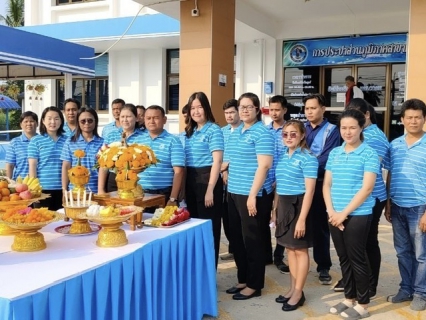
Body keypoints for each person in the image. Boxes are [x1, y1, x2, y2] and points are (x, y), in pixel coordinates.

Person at [324, 109, 379, 319]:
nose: (347, 132)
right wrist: (331, 211)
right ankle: (349, 298)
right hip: (334, 213)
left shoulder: (369, 153)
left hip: (358, 214)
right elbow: (327, 184)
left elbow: (366, 188)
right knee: (343, 258)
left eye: (352, 128)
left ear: (361, 128)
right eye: (344, 128)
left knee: (357, 258)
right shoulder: (335, 153)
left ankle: (363, 304)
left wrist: (343, 213)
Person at [224, 92, 274, 300]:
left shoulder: (262, 133)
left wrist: (253, 195)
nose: (244, 110)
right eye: (241, 107)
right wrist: (222, 173)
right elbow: (228, 159)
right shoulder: (236, 132)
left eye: (248, 107)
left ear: (257, 109)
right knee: (237, 239)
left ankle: (254, 284)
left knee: (252, 240)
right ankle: (243, 278)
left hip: (252, 194)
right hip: (233, 192)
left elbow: (264, 165)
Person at [384, 98, 426, 311]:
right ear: (402, 120)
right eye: (409, 117)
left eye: (417, 117)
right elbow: (390, 173)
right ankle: (406, 288)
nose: (413, 121)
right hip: (398, 205)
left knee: (421, 254)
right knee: (402, 251)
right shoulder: (395, 145)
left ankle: (421, 293)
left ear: (424, 119)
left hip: (420, 207)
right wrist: (389, 202)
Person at [272, 120, 318, 311]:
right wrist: (275, 209)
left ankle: (299, 292)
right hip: (284, 203)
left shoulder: (308, 158)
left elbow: (310, 191)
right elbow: (279, 186)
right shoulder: (283, 155)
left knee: (300, 250)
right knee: (289, 249)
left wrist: (301, 219)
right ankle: (292, 288)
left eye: (293, 134)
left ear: (302, 136)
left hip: (300, 206)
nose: (289, 137)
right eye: (285, 134)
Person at [346, 98, 390, 298]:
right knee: (358, 243)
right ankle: (358, 279)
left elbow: (372, 173)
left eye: (357, 113)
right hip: (356, 196)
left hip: (372, 196)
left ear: (366, 115)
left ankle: (370, 284)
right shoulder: (361, 134)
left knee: (367, 242)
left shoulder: (374, 137)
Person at [303, 93, 340, 286]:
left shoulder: (332, 130)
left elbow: (326, 157)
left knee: (319, 227)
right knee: (296, 223)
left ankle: (323, 266)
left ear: (323, 109)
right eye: (307, 108)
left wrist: (303, 168)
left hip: (319, 183)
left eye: (313, 108)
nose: (309, 112)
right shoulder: (300, 128)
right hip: (298, 183)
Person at [184, 92, 224, 267]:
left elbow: (217, 161)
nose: (196, 111)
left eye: (199, 107)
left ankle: (209, 271)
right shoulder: (189, 131)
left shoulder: (213, 129)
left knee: (209, 230)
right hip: (191, 180)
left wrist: (210, 189)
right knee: (193, 227)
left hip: (208, 180)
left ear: (206, 108)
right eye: (193, 108)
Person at [136, 105, 184, 205]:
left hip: (164, 194)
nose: (151, 121)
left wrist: (173, 199)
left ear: (164, 120)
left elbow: (178, 172)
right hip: (140, 193)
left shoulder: (173, 141)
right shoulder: (138, 140)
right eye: (148, 118)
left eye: (156, 118)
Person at [98, 104, 144, 193]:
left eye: (129, 116)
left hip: (135, 181)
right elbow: (103, 163)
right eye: (122, 116)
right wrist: (101, 189)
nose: (125, 120)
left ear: (136, 118)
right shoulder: (111, 135)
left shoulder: (144, 136)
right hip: (114, 180)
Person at [28, 106, 68, 210]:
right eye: (49, 118)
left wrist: (66, 189)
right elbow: (32, 167)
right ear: (43, 121)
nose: (53, 122)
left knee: (62, 223)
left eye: (56, 118)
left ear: (61, 121)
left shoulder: (68, 140)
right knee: (43, 222)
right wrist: (34, 190)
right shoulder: (36, 140)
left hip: (63, 189)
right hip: (43, 190)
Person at [267, 95, 290, 273]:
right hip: (265, 181)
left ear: (284, 110)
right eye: (271, 109)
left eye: (277, 110)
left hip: (283, 182)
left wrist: (280, 178)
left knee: (281, 219)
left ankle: (279, 256)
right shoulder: (264, 131)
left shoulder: (290, 131)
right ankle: (266, 253)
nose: (274, 113)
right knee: (263, 219)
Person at [60, 107, 104, 194]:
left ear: (95, 122)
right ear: (78, 123)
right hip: (74, 192)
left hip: (95, 191)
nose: (86, 123)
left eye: (90, 120)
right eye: (83, 121)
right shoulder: (70, 142)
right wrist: (64, 190)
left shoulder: (102, 143)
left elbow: (103, 168)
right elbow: (66, 167)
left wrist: (100, 191)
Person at [220, 98, 243, 261]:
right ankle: (233, 248)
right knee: (227, 219)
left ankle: (242, 249)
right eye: (226, 113)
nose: (229, 116)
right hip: (222, 182)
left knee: (241, 220)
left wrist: (227, 169)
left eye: (232, 112)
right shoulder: (222, 131)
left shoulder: (245, 130)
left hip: (239, 181)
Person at [5, 111, 38, 180]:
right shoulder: (14, 143)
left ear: (37, 124)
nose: (29, 124)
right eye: (26, 121)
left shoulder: (43, 141)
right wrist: (8, 182)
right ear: (21, 125)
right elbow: (10, 166)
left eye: (31, 121)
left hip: (40, 184)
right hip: (20, 184)